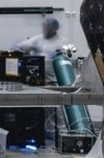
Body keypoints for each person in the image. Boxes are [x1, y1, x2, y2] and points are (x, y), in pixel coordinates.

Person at [16, 17, 67, 150]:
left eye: (48, 27)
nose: (45, 29)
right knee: (40, 110)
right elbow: (21, 46)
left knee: (57, 111)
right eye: (44, 27)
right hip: (38, 82)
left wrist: (53, 54)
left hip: (55, 82)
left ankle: (61, 135)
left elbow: (65, 56)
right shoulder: (38, 39)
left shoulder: (61, 42)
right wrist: (30, 47)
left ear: (54, 29)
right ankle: (43, 134)